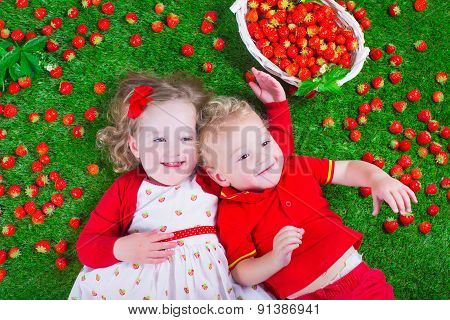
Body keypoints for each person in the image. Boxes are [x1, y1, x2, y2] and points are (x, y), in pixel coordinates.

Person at [198, 68, 418, 300]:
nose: (262, 157)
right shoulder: (233, 210)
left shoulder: (295, 167)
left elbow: (345, 168)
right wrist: (273, 260)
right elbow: (241, 272)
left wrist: (378, 178)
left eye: (264, 142)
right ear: (221, 177)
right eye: (243, 156)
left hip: (359, 281)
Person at [68, 72, 273, 300]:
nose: (173, 149)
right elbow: (88, 246)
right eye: (158, 140)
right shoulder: (127, 188)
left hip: (209, 286)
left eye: (185, 138)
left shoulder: (210, 177)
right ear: (135, 147)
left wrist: (277, 109)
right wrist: (121, 249)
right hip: (145, 288)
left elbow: (265, 162)